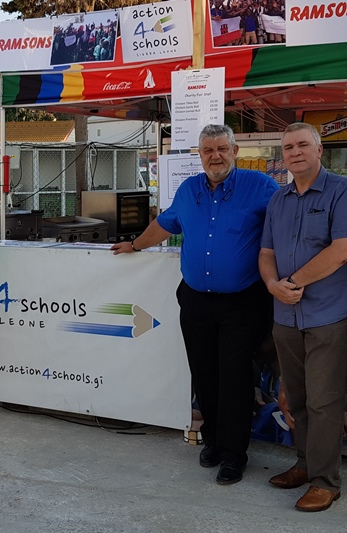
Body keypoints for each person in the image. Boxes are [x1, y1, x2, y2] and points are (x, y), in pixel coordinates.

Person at [112, 124, 278, 485]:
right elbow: (165, 224)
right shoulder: (189, 190)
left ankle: (235, 455)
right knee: (204, 373)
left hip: (242, 302)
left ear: (234, 150)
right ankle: (214, 442)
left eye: (221, 148)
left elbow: (283, 226)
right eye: (208, 150)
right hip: (196, 301)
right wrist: (135, 245)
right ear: (199, 155)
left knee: (234, 378)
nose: (215, 155)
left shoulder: (261, 186)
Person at [258, 122, 347, 511]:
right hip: (286, 314)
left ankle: (326, 481)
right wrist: (273, 285)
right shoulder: (279, 199)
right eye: (288, 147)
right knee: (296, 397)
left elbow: (342, 250)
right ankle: (305, 465)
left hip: (329, 314)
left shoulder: (345, 191)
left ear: (319, 150)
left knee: (324, 400)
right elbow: (266, 251)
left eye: (303, 144)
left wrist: (291, 281)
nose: (295, 152)